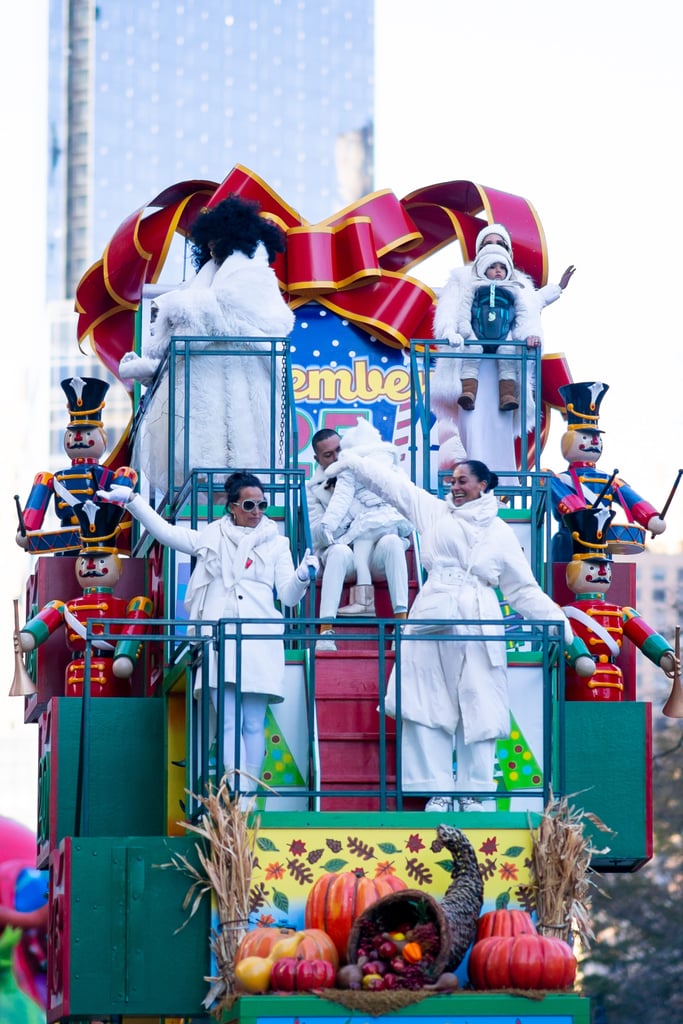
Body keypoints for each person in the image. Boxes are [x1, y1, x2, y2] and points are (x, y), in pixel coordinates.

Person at [322, 454, 595, 811]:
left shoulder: (500, 533)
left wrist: (564, 630)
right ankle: (437, 790)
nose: (455, 486)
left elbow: (523, 590)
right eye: (452, 480)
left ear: (484, 484)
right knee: (425, 700)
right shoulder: (435, 512)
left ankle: (474, 791)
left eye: (462, 480)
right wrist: (356, 463)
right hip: (432, 614)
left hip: (479, 616)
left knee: (480, 703)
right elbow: (394, 487)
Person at [97, 472, 318, 790]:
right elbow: (166, 533)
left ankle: (248, 798)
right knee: (229, 720)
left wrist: (302, 577)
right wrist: (133, 501)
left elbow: (288, 595)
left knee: (253, 722)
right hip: (219, 640)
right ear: (232, 506)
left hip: (258, 640)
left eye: (262, 505)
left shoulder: (277, 543)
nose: (257, 511)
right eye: (250, 504)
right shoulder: (210, 536)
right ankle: (234, 792)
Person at [119, 195, 295, 493]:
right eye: (208, 241)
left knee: (241, 452)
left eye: (216, 239)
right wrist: (153, 362)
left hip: (240, 379)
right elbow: (195, 329)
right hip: (207, 384)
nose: (211, 246)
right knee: (203, 452)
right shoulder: (209, 274)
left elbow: (254, 316)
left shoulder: (253, 269)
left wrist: (182, 311)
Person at [431, 222, 575, 475]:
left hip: (502, 367)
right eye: (488, 244)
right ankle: (475, 482)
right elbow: (448, 311)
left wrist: (557, 289)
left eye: (500, 244)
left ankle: (502, 485)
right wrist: (450, 333)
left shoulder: (517, 283)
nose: (494, 249)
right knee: (472, 425)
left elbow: (530, 309)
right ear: (479, 250)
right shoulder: (462, 279)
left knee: (500, 425)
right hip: (469, 364)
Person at [15, 500, 153, 697]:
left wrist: (126, 655)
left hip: (110, 675)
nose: (90, 567)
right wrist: (29, 635)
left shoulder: (129, 604)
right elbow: (47, 619)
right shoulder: (65, 606)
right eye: (86, 561)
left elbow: (135, 624)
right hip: (75, 676)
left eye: (99, 561)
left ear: (118, 567)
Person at [306, 427, 411, 652]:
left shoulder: (373, 469)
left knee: (392, 541)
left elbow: (403, 513)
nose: (336, 457)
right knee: (337, 552)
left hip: (378, 555)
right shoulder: (312, 489)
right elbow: (317, 534)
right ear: (317, 459)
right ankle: (325, 631)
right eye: (328, 455)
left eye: (339, 450)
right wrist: (346, 515)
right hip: (346, 557)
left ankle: (401, 626)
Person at [561, 507, 677, 701]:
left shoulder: (622, 612)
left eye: (604, 567)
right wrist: (579, 656)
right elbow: (567, 636)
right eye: (592, 567)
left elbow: (645, 635)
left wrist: (664, 653)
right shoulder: (565, 613)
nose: (601, 573)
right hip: (580, 681)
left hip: (614, 679)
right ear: (574, 571)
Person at [15, 376, 137, 555]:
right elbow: (29, 523)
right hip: (64, 543)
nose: (79, 438)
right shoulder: (49, 479)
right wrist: (25, 530)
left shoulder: (111, 476)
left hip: (98, 546)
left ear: (101, 436)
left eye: (87, 433)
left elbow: (114, 511)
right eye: (73, 433)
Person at [550, 381, 666, 561]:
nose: (594, 442)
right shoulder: (558, 479)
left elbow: (632, 500)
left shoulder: (610, 479)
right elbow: (564, 503)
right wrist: (581, 515)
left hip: (600, 542)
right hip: (570, 541)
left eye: (596, 438)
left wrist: (650, 517)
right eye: (587, 437)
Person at [439, 243, 543, 413]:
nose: (498, 271)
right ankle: (468, 393)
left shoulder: (514, 290)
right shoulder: (475, 287)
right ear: (483, 268)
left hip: (503, 336)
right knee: (471, 355)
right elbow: (464, 309)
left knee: (508, 358)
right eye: (492, 266)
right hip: (477, 334)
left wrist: (524, 335)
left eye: (502, 267)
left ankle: (507, 396)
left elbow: (522, 314)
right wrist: (464, 329)